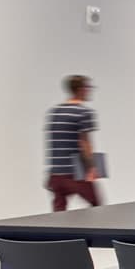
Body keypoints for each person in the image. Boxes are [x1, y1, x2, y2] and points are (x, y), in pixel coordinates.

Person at [44, 74, 102, 211]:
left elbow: (53, 142)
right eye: (88, 87)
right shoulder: (83, 112)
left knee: (59, 213)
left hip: (56, 174)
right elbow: (84, 143)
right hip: (75, 173)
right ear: (81, 89)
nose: (89, 90)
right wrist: (91, 168)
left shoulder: (55, 112)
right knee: (97, 207)